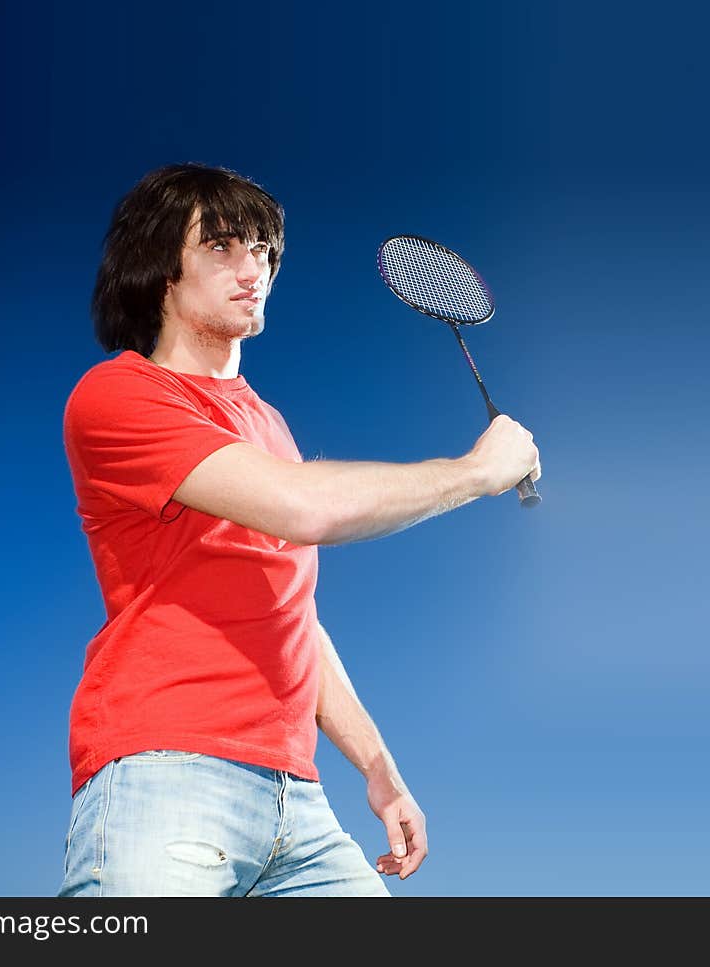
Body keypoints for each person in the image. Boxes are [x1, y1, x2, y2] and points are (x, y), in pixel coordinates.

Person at [56, 163, 540, 898]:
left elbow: (291, 612)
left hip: (297, 803)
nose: (252, 268)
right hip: (167, 772)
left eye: (265, 251)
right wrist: (475, 471)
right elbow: (304, 506)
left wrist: (379, 769)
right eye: (222, 246)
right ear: (159, 266)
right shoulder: (117, 395)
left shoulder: (269, 426)